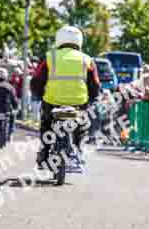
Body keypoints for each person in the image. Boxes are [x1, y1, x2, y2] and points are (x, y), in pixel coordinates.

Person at [30, 25, 100, 169]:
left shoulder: (50, 57)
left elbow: (37, 80)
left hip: (52, 101)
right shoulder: (87, 60)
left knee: (46, 124)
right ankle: (79, 151)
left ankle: (44, 151)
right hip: (78, 103)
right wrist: (92, 98)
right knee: (81, 126)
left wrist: (38, 94)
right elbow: (95, 84)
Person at [0, 67, 19, 142]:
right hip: (7, 109)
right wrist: (16, 107)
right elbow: (14, 99)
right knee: (13, 117)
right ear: (6, 76)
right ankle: (10, 134)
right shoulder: (10, 87)